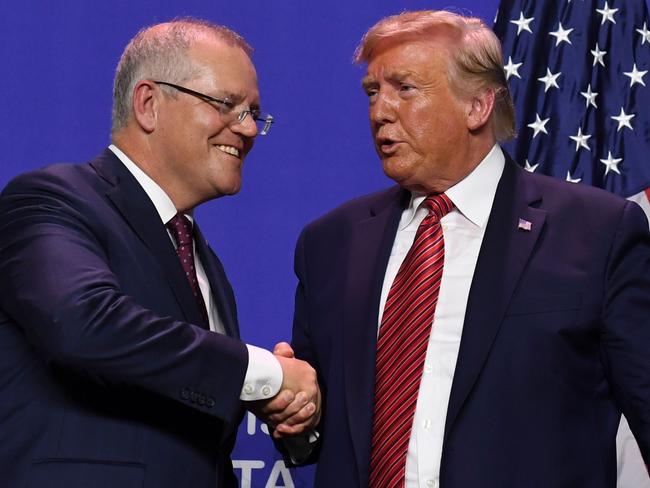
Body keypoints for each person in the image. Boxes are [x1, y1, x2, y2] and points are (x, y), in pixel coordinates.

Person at [280, 10, 650, 488]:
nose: (380, 111)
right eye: (373, 92)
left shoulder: (598, 231)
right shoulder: (330, 242)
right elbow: (315, 434)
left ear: (477, 106)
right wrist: (297, 411)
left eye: (404, 89)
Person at [0, 18, 319, 488]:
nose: (248, 129)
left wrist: (289, 412)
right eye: (227, 105)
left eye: (254, 112)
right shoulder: (51, 198)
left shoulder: (204, 262)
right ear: (148, 104)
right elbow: (83, 324)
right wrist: (265, 373)